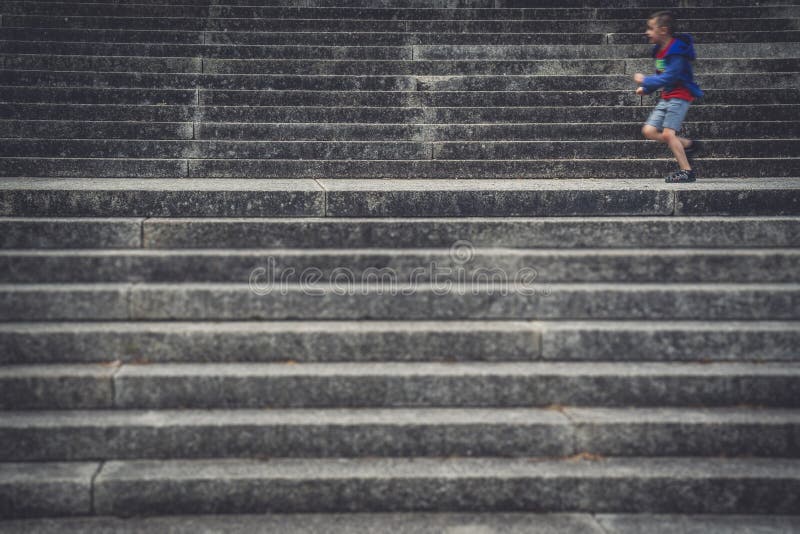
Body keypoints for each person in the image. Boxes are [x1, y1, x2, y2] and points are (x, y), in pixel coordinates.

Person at [633, 11, 704, 183]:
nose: (647, 32)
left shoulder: (677, 51)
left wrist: (645, 80)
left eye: (650, 28)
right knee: (648, 130)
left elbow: (670, 76)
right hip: (667, 95)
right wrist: (647, 89)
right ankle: (688, 145)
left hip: (680, 95)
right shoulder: (659, 51)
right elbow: (662, 76)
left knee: (668, 134)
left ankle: (687, 171)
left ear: (663, 30)